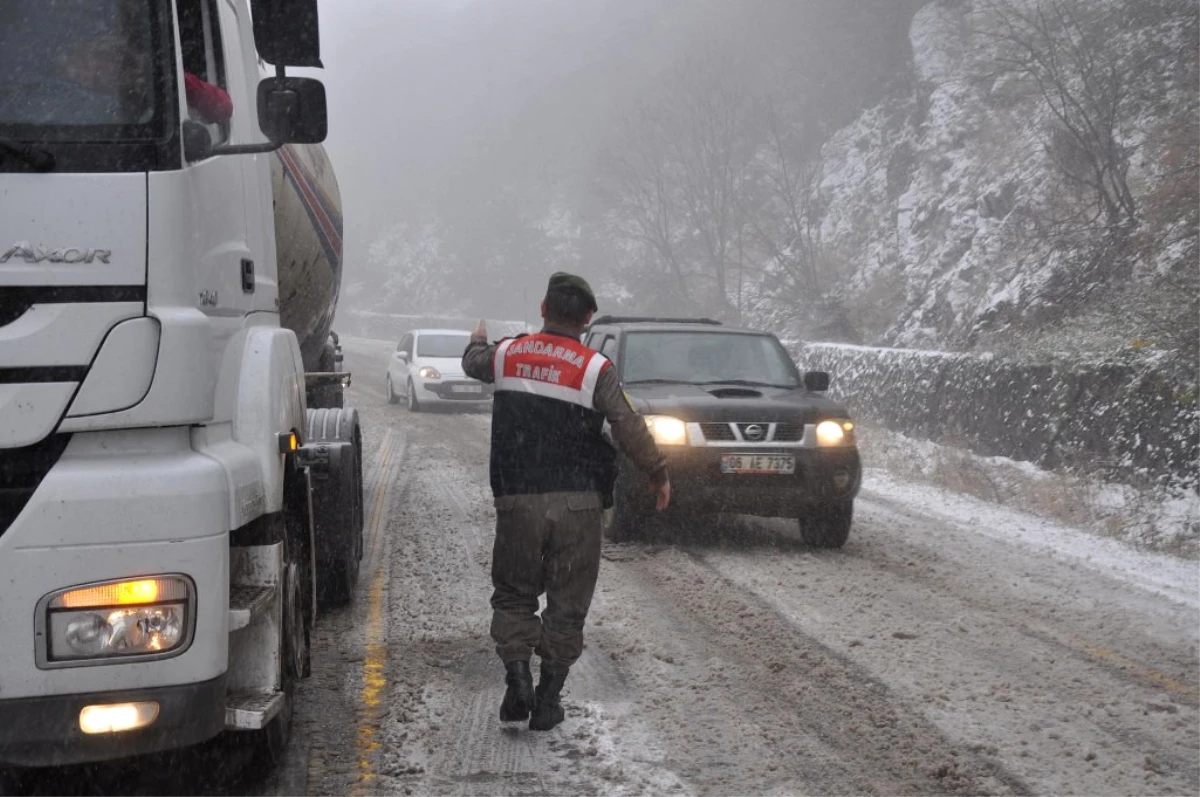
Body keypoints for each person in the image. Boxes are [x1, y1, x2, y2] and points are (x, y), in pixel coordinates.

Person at [462, 273, 671, 731]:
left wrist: (478, 335)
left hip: (517, 498)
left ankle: (517, 677)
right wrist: (657, 471)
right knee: (567, 603)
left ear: (542, 308)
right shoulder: (596, 368)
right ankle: (549, 698)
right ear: (588, 318)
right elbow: (628, 425)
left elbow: (473, 361)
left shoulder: (508, 354)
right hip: (580, 504)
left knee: (515, 594)